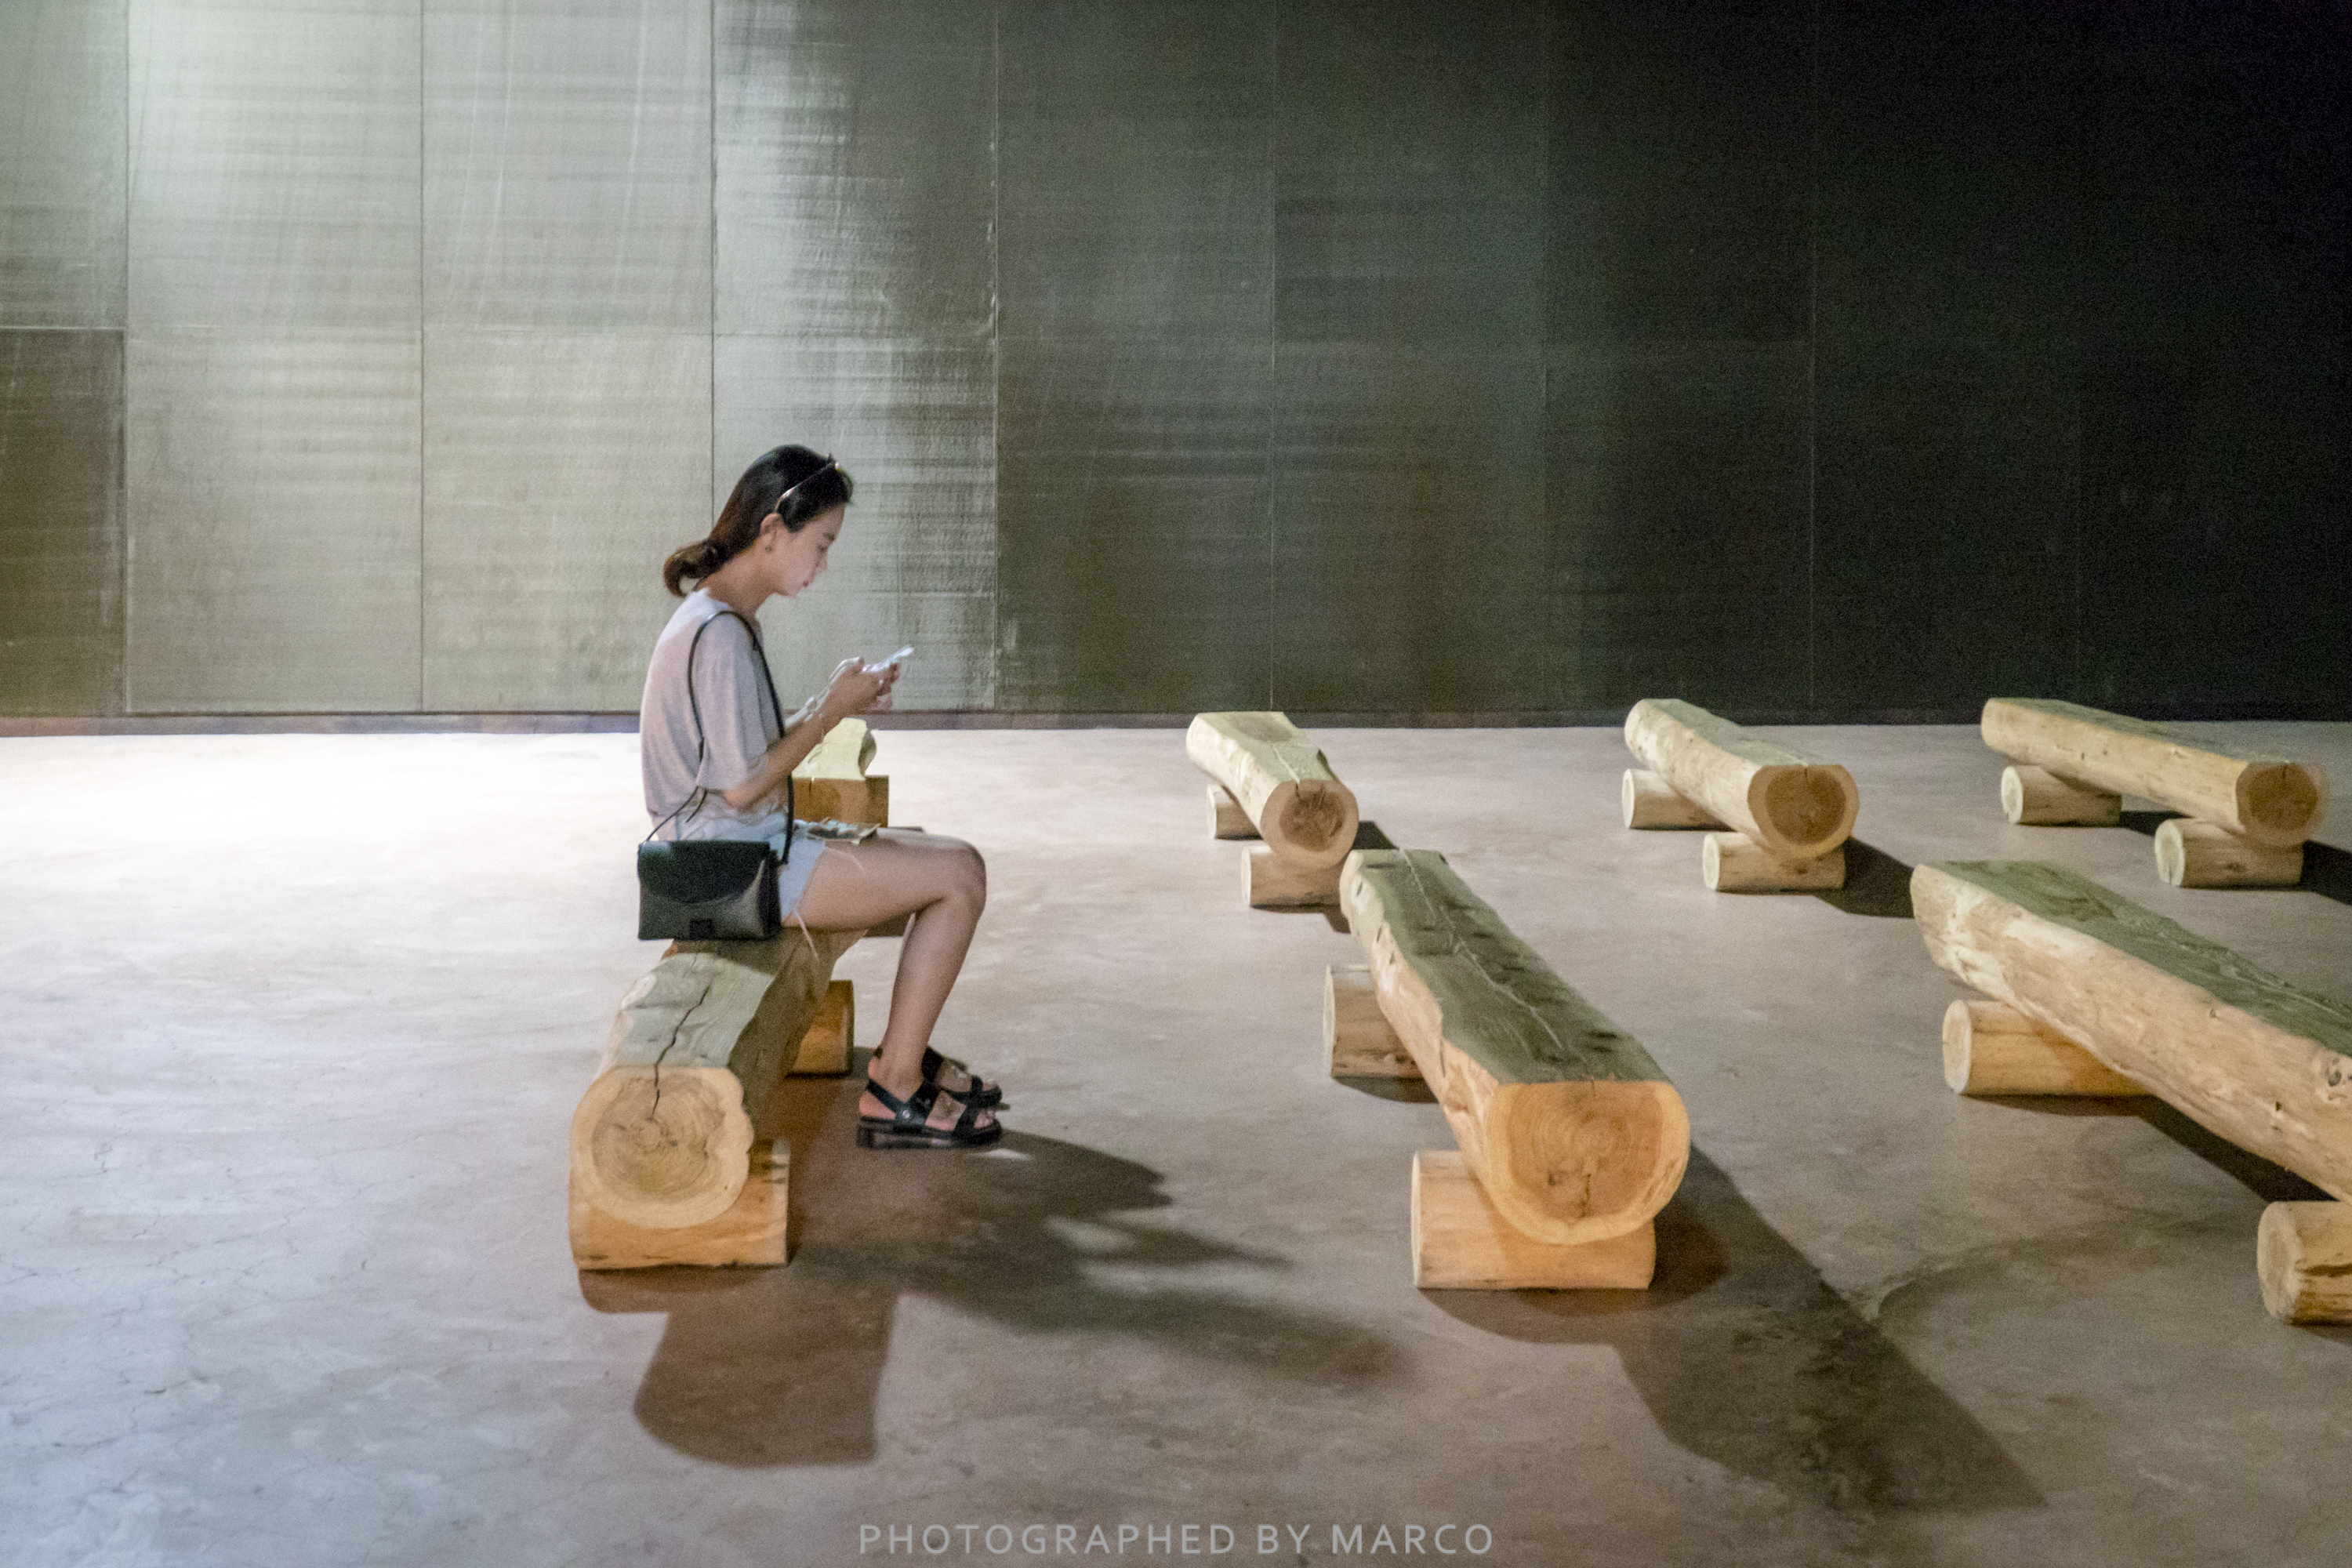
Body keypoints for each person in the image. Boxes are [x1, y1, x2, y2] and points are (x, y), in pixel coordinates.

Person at [641, 445, 1001, 1150]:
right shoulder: (717, 634)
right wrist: (832, 712)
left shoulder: (719, 617)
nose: (823, 565)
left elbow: (737, 757)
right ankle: (895, 1085)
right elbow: (744, 784)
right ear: (772, 531)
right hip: (728, 867)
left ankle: (904, 1055)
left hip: (739, 846)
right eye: (822, 544)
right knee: (960, 877)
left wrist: (825, 702)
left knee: (946, 857)